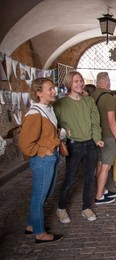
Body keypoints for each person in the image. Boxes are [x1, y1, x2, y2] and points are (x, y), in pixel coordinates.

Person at [54, 71, 104, 223]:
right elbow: (54, 124)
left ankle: (86, 208)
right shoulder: (60, 104)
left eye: (81, 81)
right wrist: (62, 134)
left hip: (90, 145)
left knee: (89, 178)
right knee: (70, 178)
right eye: (76, 81)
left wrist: (97, 139)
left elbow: (95, 121)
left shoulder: (88, 101)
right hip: (73, 146)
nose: (80, 84)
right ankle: (61, 208)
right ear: (69, 83)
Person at [18, 77, 64, 244]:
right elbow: (25, 144)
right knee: (39, 196)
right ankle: (39, 233)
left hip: (51, 157)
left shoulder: (47, 108)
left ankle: (31, 226)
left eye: (53, 88)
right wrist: (44, 150)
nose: (54, 91)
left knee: (46, 194)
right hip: (43, 159)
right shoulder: (35, 113)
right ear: (38, 93)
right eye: (49, 89)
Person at [90, 72, 116, 205]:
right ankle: (99, 196)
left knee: (99, 163)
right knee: (106, 166)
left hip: (97, 135)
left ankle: (102, 189)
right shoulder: (108, 98)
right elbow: (111, 121)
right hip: (108, 136)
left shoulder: (92, 96)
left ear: (97, 82)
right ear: (108, 82)